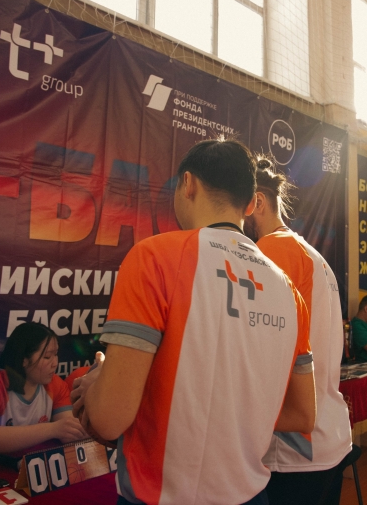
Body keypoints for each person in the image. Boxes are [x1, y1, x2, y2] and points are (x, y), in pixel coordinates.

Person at [72, 139, 316, 505]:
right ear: (251, 204)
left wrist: (97, 384)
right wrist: (234, 409)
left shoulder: (154, 258)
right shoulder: (288, 290)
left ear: (188, 184)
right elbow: (303, 414)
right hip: (251, 495)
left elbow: (108, 418)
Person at [244, 157, 351, 505]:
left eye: (239, 207)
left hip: (293, 449)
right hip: (328, 437)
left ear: (258, 202)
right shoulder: (313, 255)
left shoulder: (273, 250)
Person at [0, 322, 87, 453]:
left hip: (20, 462)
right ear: (24, 359)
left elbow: (72, 430)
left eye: (56, 354)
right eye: (47, 357)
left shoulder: (55, 384)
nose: (55, 363)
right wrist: (53, 429)